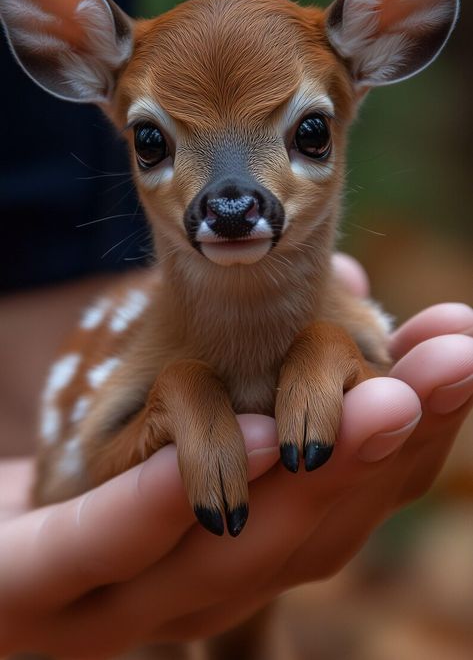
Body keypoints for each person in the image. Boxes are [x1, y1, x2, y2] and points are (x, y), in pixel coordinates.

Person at [1, 255, 472, 657]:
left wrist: (333, 354)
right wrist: (177, 400)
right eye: (151, 145)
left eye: (309, 140)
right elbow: (91, 452)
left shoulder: (336, 320)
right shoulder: (145, 335)